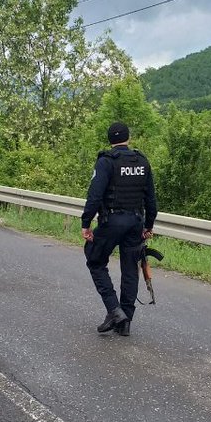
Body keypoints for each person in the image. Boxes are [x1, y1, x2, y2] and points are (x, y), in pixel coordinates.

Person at [81, 122, 158, 337]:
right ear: (128, 137)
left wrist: (86, 224)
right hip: (136, 222)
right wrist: (148, 226)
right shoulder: (142, 161)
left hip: (112, 221)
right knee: (130, 269)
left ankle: (115, 311)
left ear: (110, 140)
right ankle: (126, 320)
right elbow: (151, 199)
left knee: (95, 260)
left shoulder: (106, 161)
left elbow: (95, 195)